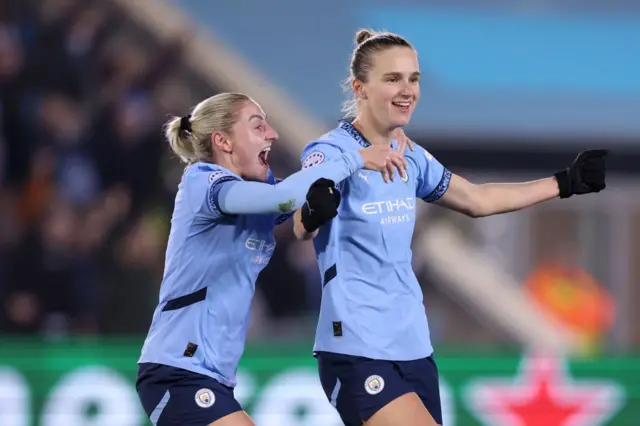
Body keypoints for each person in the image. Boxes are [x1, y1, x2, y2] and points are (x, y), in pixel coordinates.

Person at [293, 30, 607, 426]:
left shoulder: (411, 155)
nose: (407, 90)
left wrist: (564, 183)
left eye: (414, 78)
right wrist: (314, 210)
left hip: (414, 349)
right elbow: (301, 222)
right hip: (355, 348)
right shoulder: (332, 151)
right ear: (360, 87)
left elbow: (477, 200)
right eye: (393, 79)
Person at [135, 92, 409, 426]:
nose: (272, 134)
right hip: (177, 370)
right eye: (257, 125)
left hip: (212, 377)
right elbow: (286, 197)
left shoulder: (252, 194)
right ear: (223, 141)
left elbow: (299, 211)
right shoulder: (203, 181)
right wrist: (355, 157)